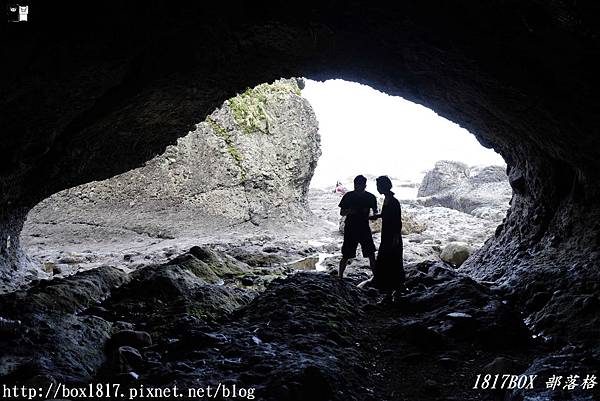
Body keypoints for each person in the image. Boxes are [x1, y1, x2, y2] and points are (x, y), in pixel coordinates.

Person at [338, 175, 378, 278]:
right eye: (357, 185)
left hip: (363, 228)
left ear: (365, 185)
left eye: (360, 185)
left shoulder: (370, 197)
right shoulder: (349, 196)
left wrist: (372, 217)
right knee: (347, 255)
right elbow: (342, 213)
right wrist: (351, 211)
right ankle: (340, 276)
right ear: (355, 185)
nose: (358, 188)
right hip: (352, 228)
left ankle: (376, 277)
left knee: (371, 254)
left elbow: (375, 213)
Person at [370, 176, 405, 291]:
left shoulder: (394, 202)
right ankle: (390, 292)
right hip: (386, 235)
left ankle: (397, 291)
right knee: (388, 262)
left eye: (378, 186)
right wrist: (377, 216)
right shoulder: (387, 199)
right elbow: (387, 215)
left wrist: (396, 238)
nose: (377, 188)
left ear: (383, 186)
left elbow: (397, 221)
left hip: (392, 236)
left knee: (392, 262)